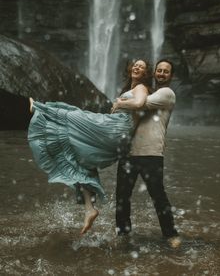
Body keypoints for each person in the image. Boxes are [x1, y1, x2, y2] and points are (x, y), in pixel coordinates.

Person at [28, 59, 153, 234]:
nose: (137, 67)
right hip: (119, 134)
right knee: (82, 160)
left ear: (146, 74)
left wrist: (120, 104)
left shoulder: (141, 88)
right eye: (136, 64)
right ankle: (90, 208)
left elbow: (139, 103)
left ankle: (40, 110)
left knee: (75, 116)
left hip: (118, 129)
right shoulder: (129, 90)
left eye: (142, 66)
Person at [115, 59, 181, 248]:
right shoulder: (145, 91)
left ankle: (171, 235)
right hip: (130, 152)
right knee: (122, 197)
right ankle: (123, 235)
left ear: (171, 76)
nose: (161, 73)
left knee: (158, 195)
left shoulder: (167, 94)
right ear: (154, 73)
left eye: (165, 71)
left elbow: (140, 104)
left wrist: (120, 101)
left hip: (151, 152)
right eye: (159, 70)